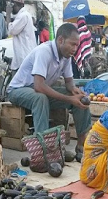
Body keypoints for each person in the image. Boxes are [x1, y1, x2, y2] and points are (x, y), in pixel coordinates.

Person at [7, 23, 92, 158]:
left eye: (77, 45)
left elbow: (69, 82)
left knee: (81, 100)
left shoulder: (66, 56)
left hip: (38, 89)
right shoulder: (44, 52)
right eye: (72, 44)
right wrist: (69, 99)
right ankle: (43, 151)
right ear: (60, 40)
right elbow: (39, 86)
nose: (75, 49)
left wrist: (75, 91)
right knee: (40, 98)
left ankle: (81, 145)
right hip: (18, 90)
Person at [7, 0, 36, 71]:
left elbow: (11, 30)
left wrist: (8, 14)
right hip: (23, 57)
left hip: (23, 57)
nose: (11, 8)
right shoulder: (23, 15)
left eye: (13, 5)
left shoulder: (23, 16)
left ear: (18, 5)